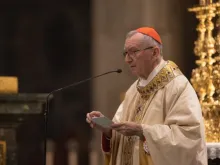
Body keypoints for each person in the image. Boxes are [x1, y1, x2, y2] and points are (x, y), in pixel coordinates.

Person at [86, 27, 207, 165]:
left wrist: (143, 131)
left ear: (155, 52)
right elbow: (122, 135)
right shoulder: (134, 90)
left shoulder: (178, 86)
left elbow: (188, 139)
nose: (127, 59)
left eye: (133, 52)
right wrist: (108, 129)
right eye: (125, 53)